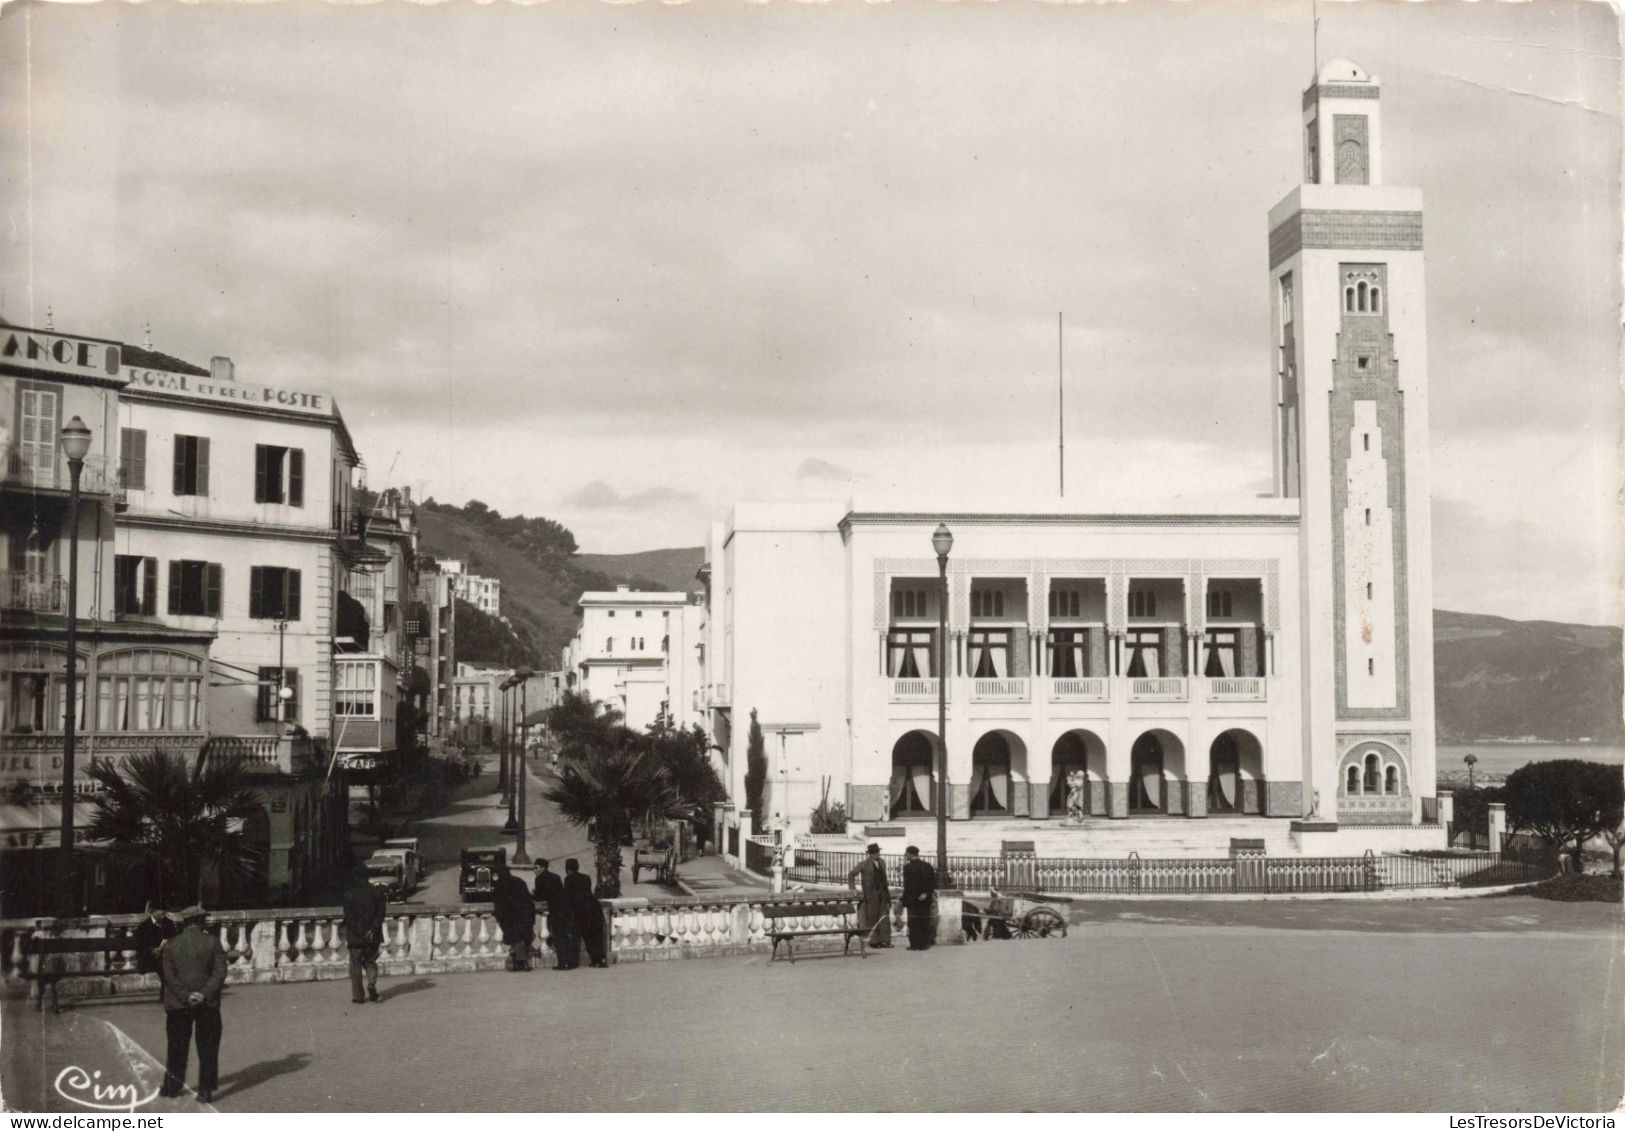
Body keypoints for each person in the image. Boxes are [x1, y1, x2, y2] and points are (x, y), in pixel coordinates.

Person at [159, 906, 227, 1102]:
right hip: (208, 1004)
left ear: (184, 923)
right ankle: (205, 1090)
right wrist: (203, 994)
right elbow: (220, 973)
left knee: (177, 1045)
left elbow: (169, 977)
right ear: (200, 921)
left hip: (178, 1004)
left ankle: (172, 1086)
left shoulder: (171, 945)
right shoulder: (213, 942)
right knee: (208, 1047)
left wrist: (186, 995)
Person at [342, 868, 389, 1003]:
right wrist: (372, 930)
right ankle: (371, 984)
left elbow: (349, 918)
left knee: (355, 966)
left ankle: (358, 996)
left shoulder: (349, 894)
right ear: (368, 878)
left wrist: (359, 932)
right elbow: (380, 914)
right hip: (373, 935)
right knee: (370, 962)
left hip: (356, 936)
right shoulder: (377, 893)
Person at [492, 863, 537, 971]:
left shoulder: (499, 885)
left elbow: (498, 904)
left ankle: (520, 963)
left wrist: (499, 917)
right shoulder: (520, 881)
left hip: (510, 917)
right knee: (522, 939)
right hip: (524, 915)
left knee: (516, 940)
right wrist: (532, 916)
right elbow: (529, 901)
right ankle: (521, 962)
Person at [847, 843, 893, 948]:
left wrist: (887, 894)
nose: (877, 854)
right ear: (870, 854)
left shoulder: (882, 862)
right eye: (874, 852)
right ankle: (874, 941)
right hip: (871, 895)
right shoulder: (864, 864)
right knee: (872, 918)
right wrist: (853, 888)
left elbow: (884, 879)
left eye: (878, 852)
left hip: (883, 894)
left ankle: (885, 941)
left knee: (884, 918)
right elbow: (851, 874)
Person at [563, 858, 605, 968]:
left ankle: (573, 962)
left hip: (580, 910)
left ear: (567, 869)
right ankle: (599, 959)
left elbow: (568, 896)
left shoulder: (568, 879)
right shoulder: (586, 878)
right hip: (593, 907)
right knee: (594, 936)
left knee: (577, 936)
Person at [900, 846, 937, 951]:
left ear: (910, 854)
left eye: (906, 853)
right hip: (924, 899)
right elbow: (933, 882)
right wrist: (926, 893)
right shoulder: (927, 866)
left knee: (913, 922)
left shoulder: (907, 868)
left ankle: (914, 944)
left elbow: (907, 886)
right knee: (924, 921)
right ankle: (924, 944)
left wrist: (904, 899)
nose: (905, 855)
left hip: (912, 900)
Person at [532, 858, 567, 967]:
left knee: (557, 935)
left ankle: (562, 962)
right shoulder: (556, 877)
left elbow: (538, 897)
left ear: (542, 867)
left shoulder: (539, 879)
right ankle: (567, 960)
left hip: (554, 909)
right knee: (564, 935)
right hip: (564, 907)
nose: (534, 870)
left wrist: (533, 894)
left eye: (536, 867)